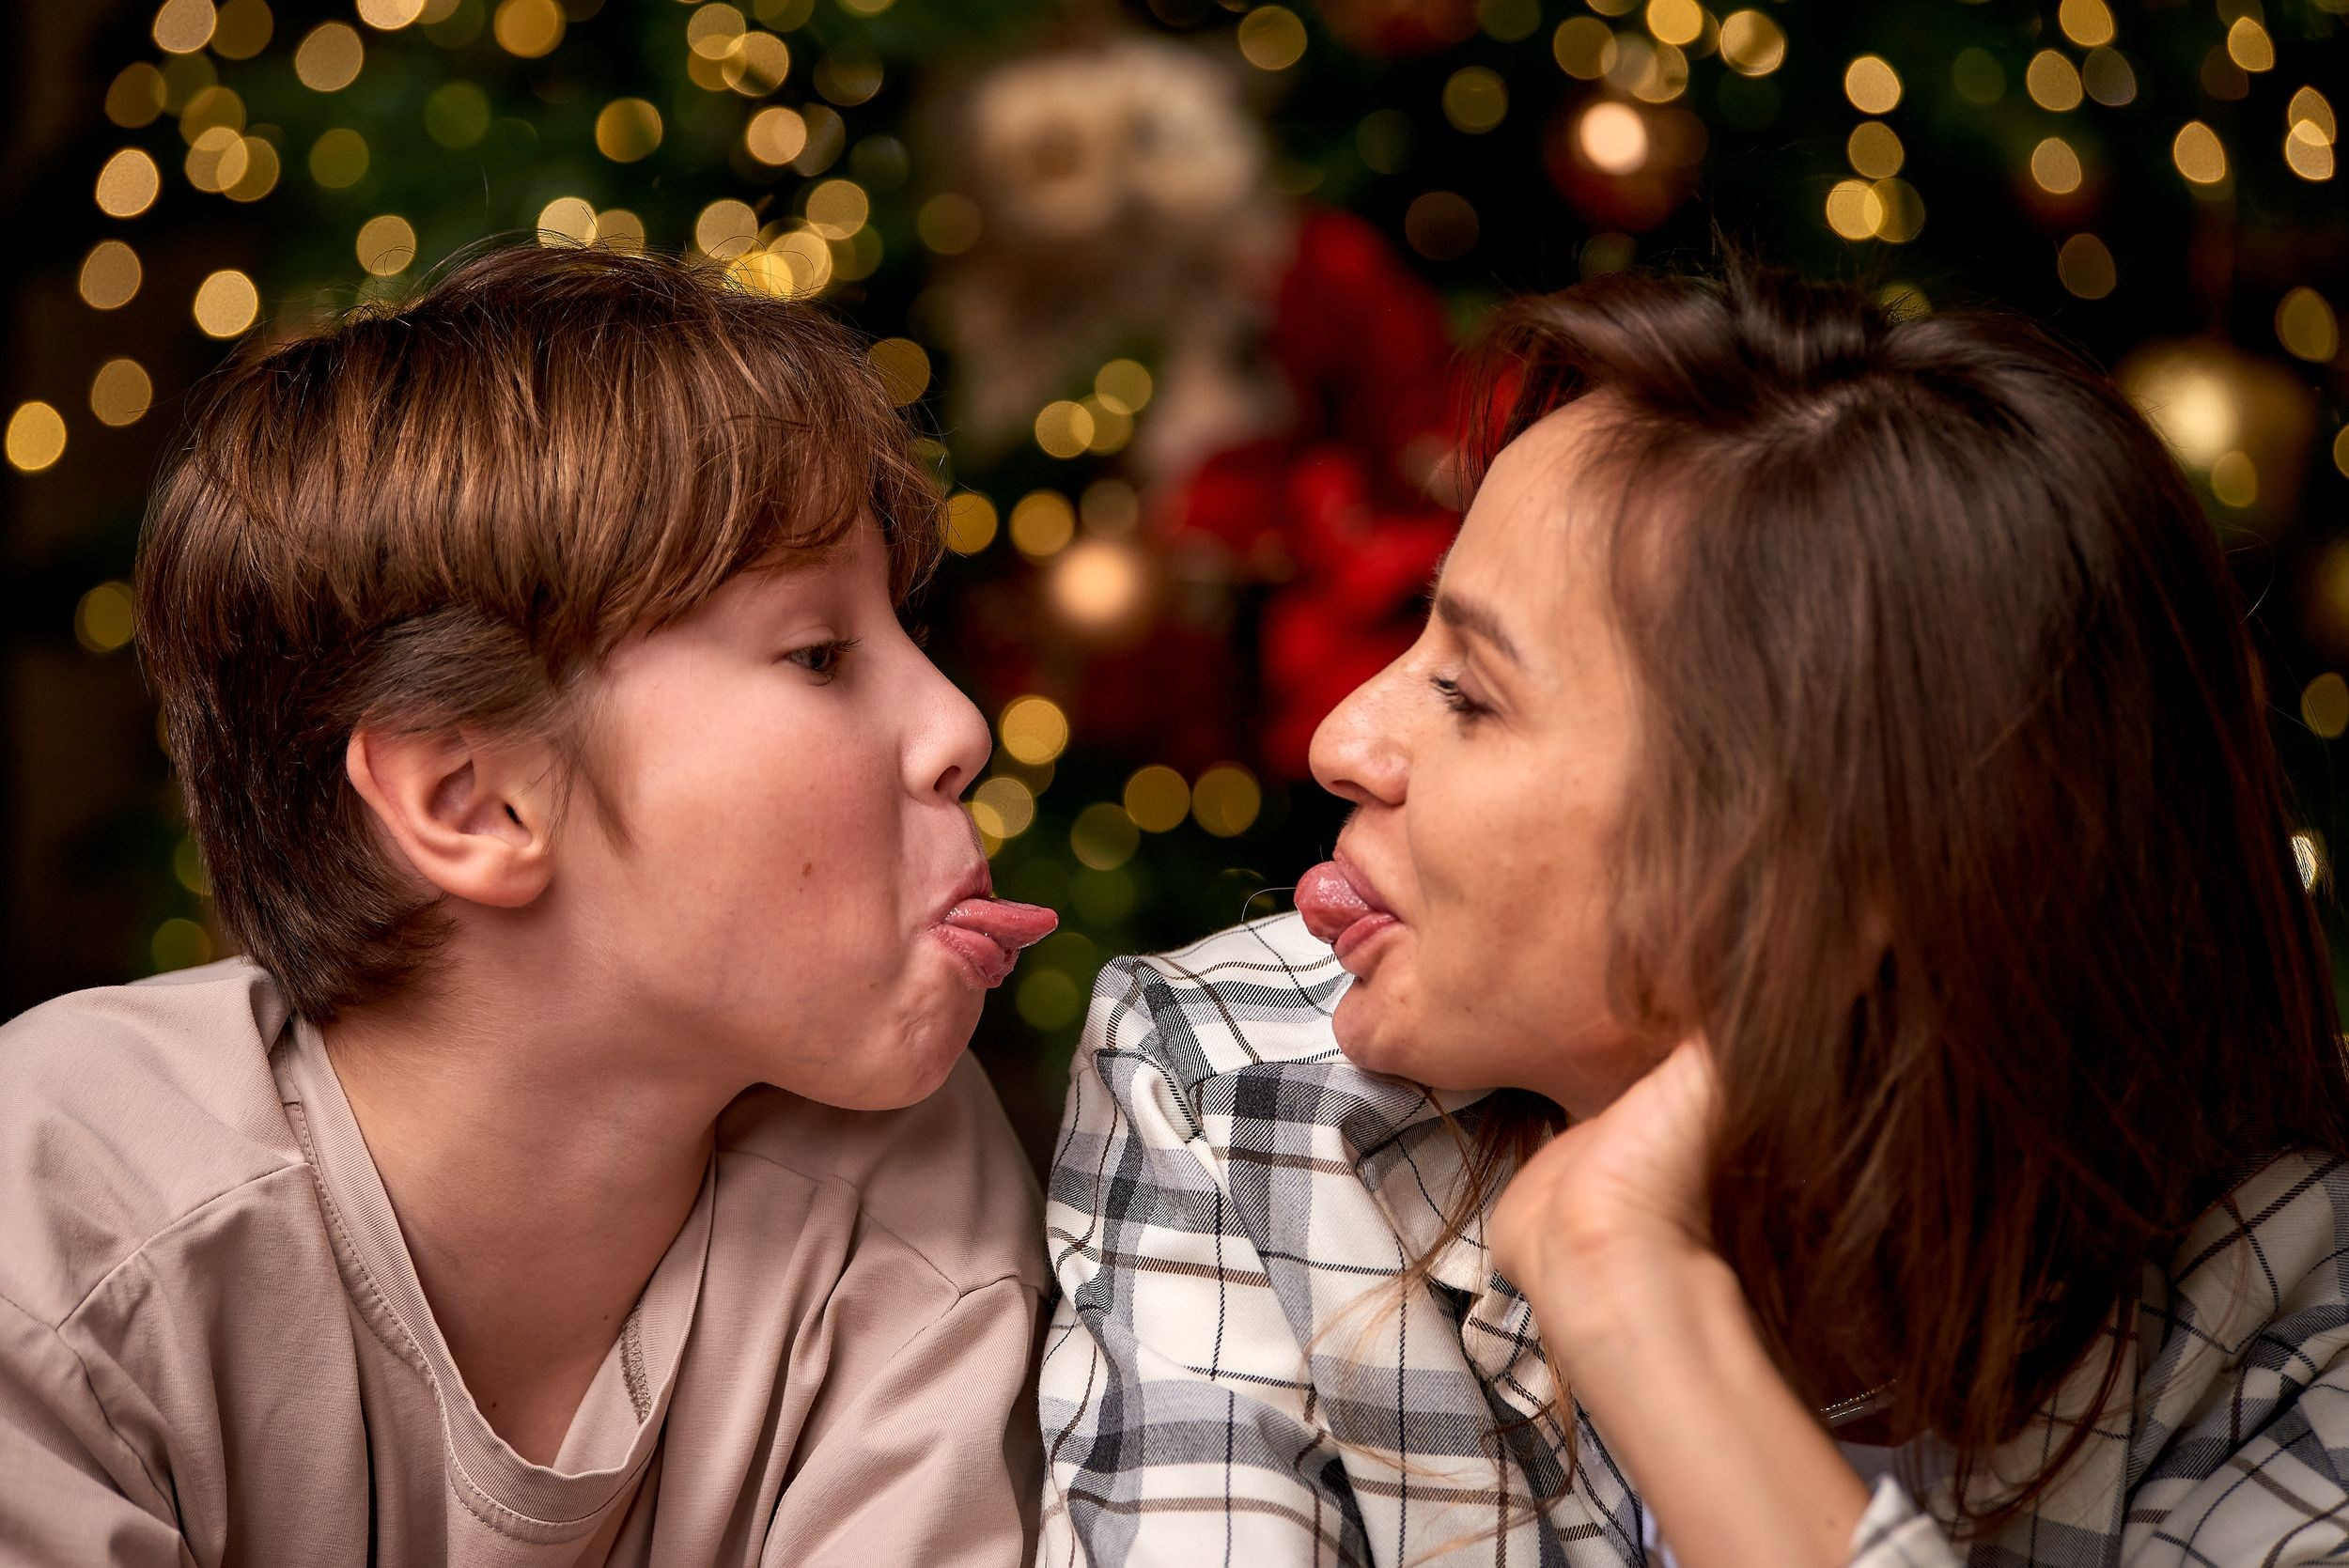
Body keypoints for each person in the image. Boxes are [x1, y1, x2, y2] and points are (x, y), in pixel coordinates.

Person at [1035, 263, 2349, 1566]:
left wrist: (1631, 1292)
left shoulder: (2283, 1296)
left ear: (1836, 863)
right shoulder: (1238, 1091)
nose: (1339, 737)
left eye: (1473, 695)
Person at [0, 243, 1058, 1566]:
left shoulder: (904, 1188)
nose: (959, 724)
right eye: (820, 653)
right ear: (472, 800)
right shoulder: (53, 1218)